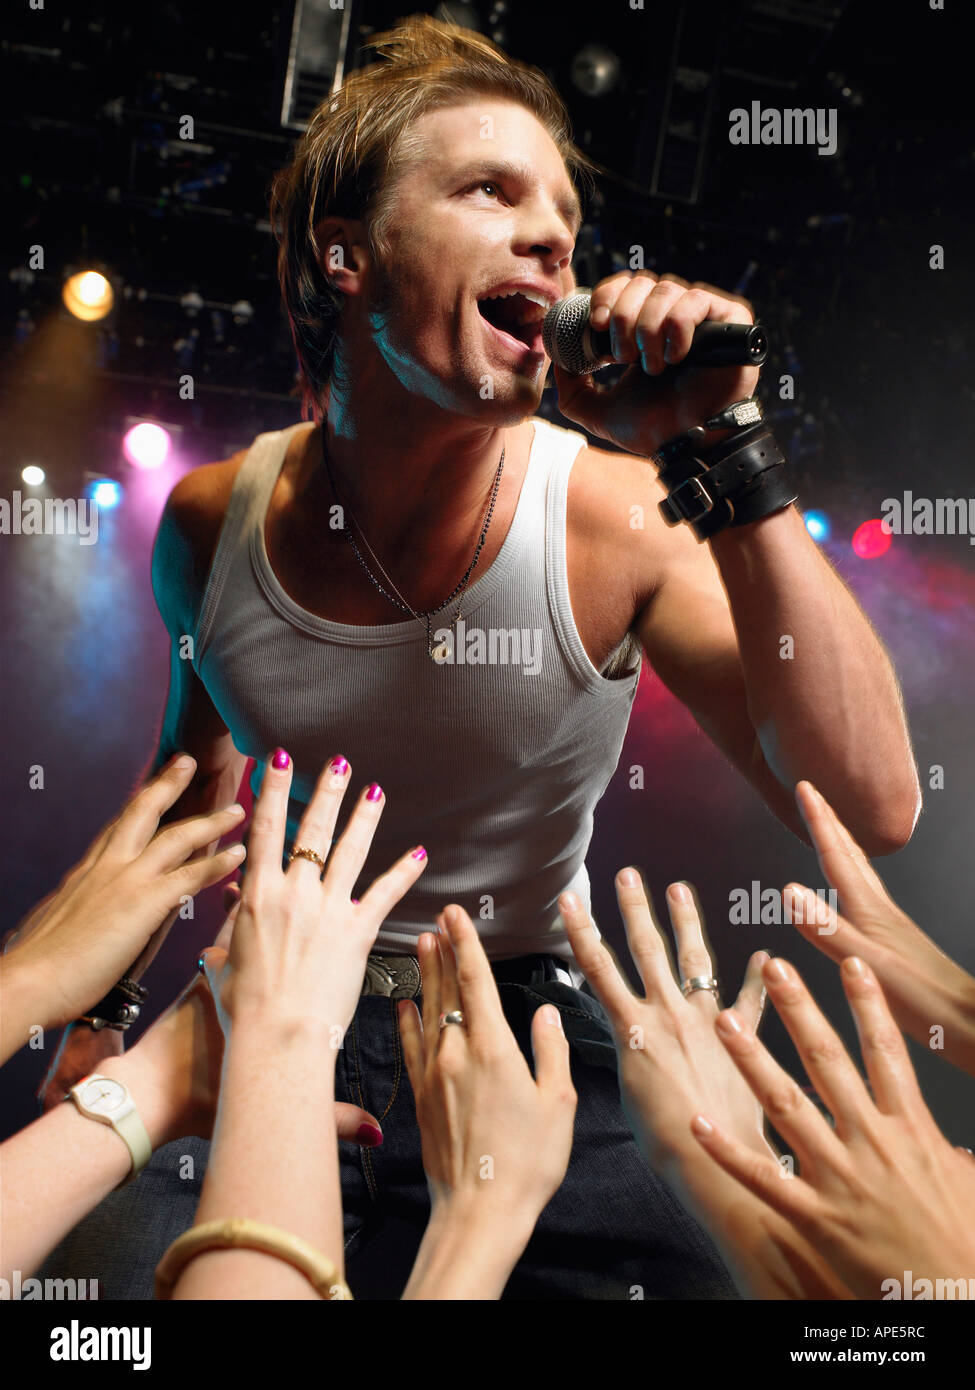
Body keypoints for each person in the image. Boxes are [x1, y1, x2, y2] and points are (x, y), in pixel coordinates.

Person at [40, 16, 919, 1298]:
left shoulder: (622, 516)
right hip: (276, 1017)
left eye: (562, 214)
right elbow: (188, 783)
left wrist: (728, 450)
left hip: (525, 1032)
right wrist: (104, 1023)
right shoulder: (211, 519)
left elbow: (873, 806)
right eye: (488, 190)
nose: (552, 237)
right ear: (346, 255)